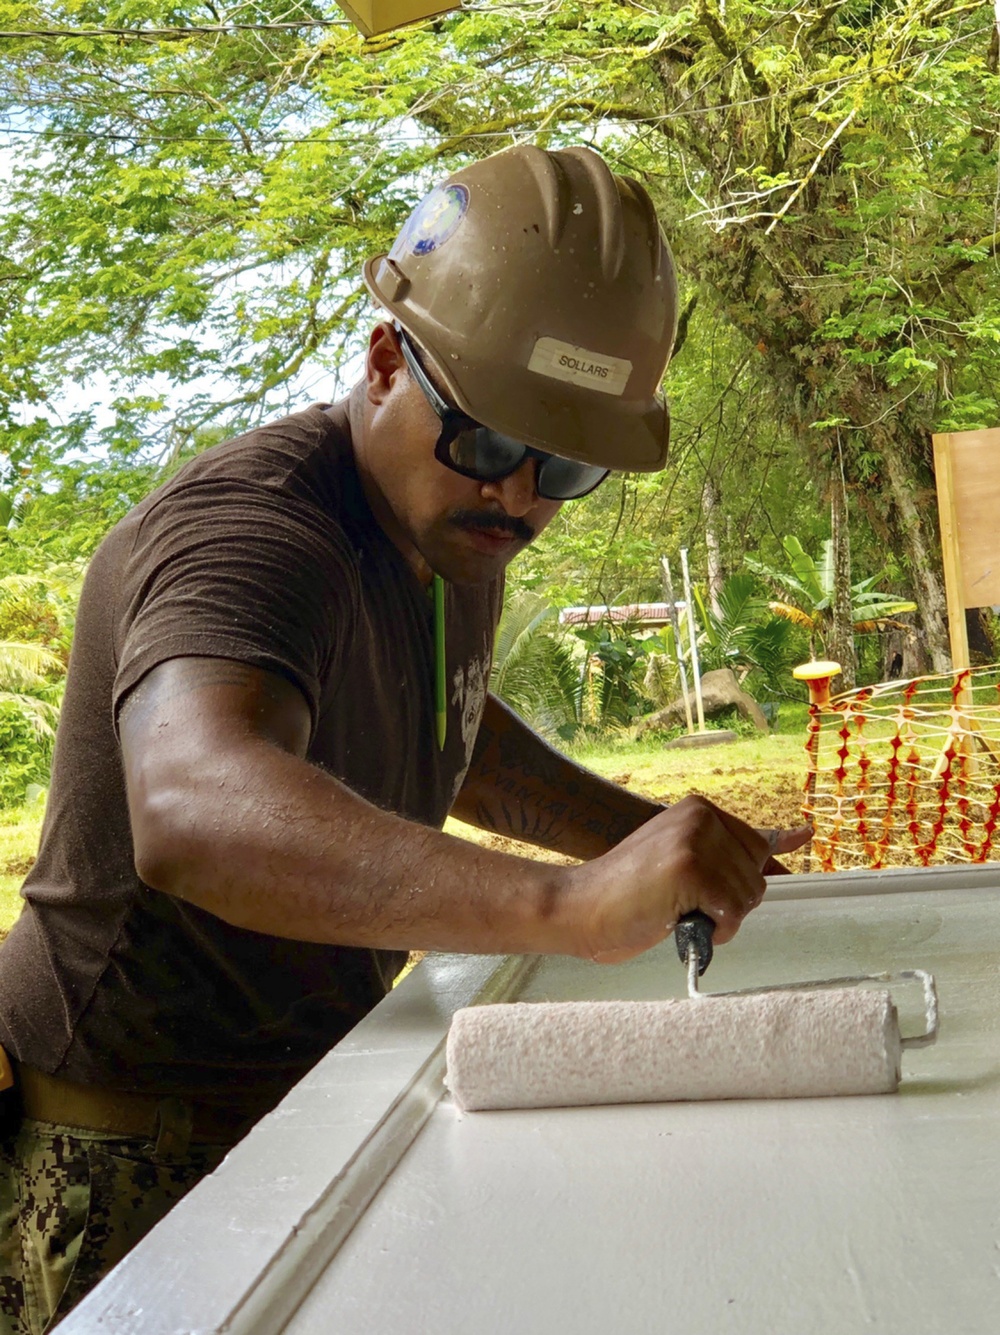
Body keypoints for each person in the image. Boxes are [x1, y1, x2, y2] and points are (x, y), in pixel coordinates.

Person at [0, 144, 808, 1333]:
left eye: (566, 464)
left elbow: (451, 731)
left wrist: (643, 841)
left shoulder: (446, 526)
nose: (519, 497)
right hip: (132, 1137)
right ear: (385, 361)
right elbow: (194, 807)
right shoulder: (255, 532)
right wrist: (563, 909)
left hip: (316, 1082)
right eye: (487, 443)